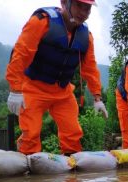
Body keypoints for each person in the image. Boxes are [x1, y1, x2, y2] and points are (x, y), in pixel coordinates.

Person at [6, 0, 108, 155]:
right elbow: (20, 54)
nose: (83, 12)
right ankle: (28, 174)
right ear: (65, 3)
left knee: (73, 134)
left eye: (87, 8)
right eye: (79, 6)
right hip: (34, 88)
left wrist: (97, 98)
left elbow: (90, 68)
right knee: (30, 136)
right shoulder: (41, 21)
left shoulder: (86, 37)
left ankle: (72, 176)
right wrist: (15, 89)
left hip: (62, 92)